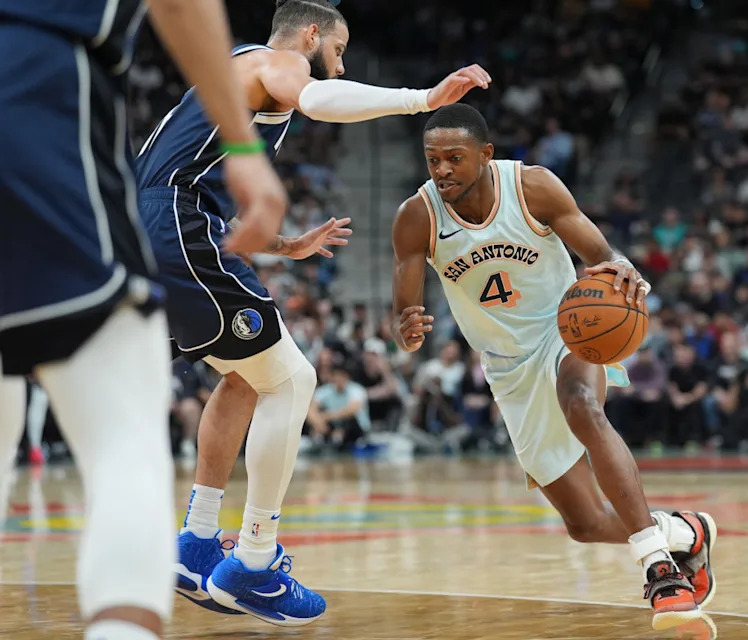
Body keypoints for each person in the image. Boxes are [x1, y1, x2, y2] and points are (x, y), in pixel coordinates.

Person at [135, 0, 492, 625]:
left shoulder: (234, 74)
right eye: (339, 48)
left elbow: (204, 184)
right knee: (294, 379)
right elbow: (320, 103)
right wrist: (422, 98)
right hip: (175, 222)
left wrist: (284, 246)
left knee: (246, 377)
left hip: (158, 226)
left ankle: (194, 544)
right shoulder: (276, 62)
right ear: (310, 35)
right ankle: (252, 562)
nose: (341, 62)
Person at [0, 0, 289, 638]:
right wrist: (242, 144)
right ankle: (212, 560)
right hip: (35, 87)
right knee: (123, 429)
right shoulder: (272, 64)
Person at [391, 104, 713, 630]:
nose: (442, 169)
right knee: (584, 524)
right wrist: (405, 334)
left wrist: (624, 269)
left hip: (568, 332)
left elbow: (602, 256)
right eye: (433, 160)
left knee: (583, 407)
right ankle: (683, 533)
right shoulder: (417, 217)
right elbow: (404, 318)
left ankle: (660, 569)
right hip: (506, 367)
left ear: (486, 155)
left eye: (454, 157)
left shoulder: (533, 188)